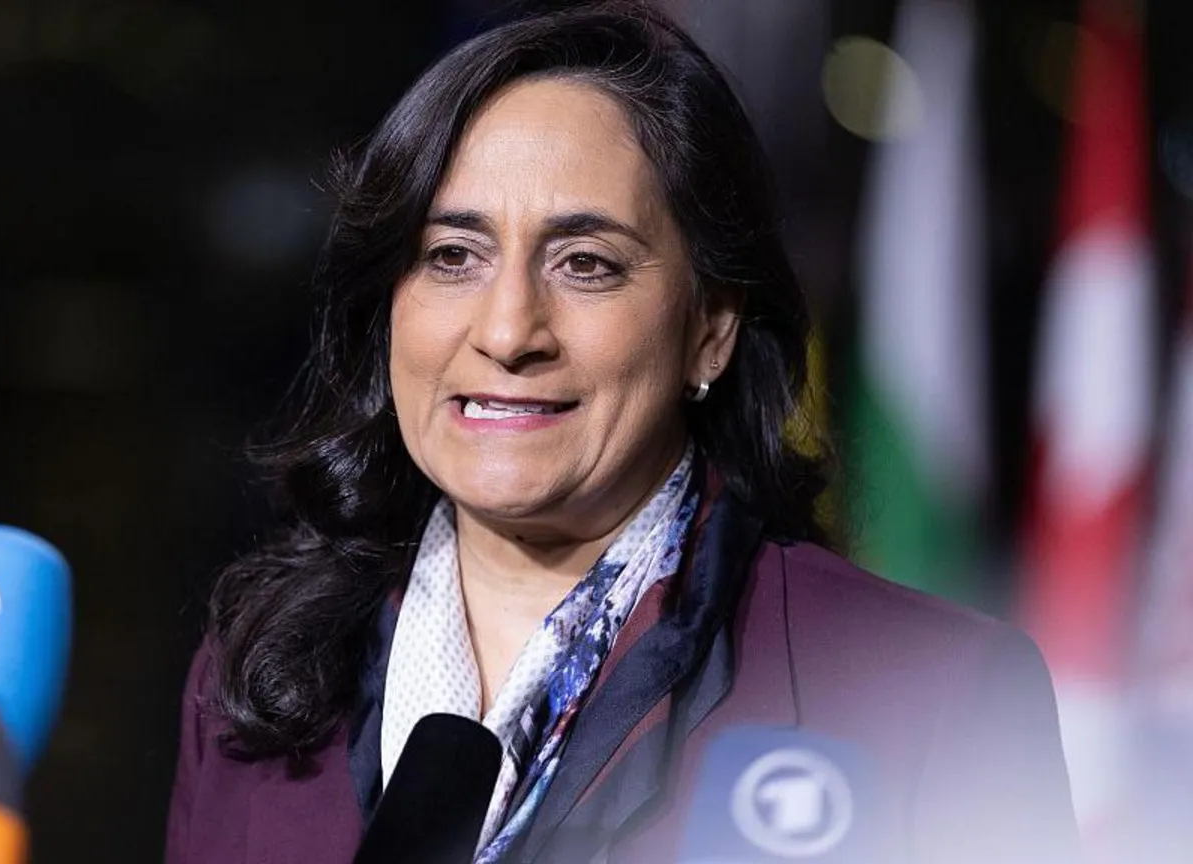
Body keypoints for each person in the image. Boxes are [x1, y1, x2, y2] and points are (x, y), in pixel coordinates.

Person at [166, 3, 1081, 862]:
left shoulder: (934, 695)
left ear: (711, 328)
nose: (508, 331)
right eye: (452, 256)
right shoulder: (258, 677)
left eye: (586, 263)